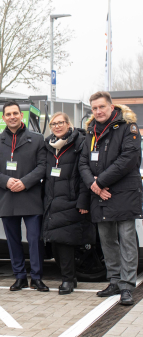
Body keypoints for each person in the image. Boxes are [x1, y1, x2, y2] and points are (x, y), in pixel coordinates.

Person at [79, 92, 141, 306]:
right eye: (94, 108)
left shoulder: (127, 127)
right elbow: (83, 163)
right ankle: (114, 280)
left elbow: (129, 159)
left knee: (127, 240)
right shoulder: (90, 131)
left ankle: (127, 285)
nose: (98, 111)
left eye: (101, 107)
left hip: (123, 193)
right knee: (107, 241)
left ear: (111, 106)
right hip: (100, 194)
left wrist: (100, 182)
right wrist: (94, 186)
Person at [0, 101, 48, 292]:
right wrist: (6, 181)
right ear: (3, 118)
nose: (12, 117)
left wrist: (25, 182)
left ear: (22, 116)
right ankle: (19, 276)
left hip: (31, 195)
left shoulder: (37, 139)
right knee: (13, 240)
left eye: (15, 113)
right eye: (8, 114)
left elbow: (42, 166)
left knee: (35, 239)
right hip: (8, 196)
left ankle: (36, 277)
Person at [43, 112, 95, 295]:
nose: (57, 126)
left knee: (65, 241)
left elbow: (84, 174)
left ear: (68, 124)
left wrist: (83, 201)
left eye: (60, 123)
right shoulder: (48, 145)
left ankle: (67, 280)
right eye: (53, 124)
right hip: (52, 201)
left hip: (71, 201)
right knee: (56, 243)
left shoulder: (79, 143)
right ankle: (70, 277)